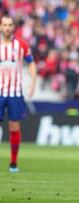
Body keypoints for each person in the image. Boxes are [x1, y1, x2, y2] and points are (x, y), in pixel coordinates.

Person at [0, 14, 37, 172]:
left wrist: (33, 82)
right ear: (1, 27)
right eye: (4, 25)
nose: (7, 28)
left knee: (14, 126)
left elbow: (31, 63)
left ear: (13, 27)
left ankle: (13, 162)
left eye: (9, 25)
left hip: (15, 93)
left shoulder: (21, 44)